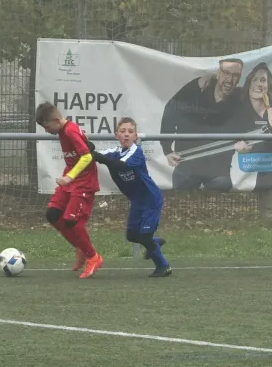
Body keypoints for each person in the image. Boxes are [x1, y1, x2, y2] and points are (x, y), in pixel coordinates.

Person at [88, 117, 172, 277]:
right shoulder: (113, 152)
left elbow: (121, 165)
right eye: (122, 131)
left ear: (135, 136)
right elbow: (96, 155)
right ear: (116, 135)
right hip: (137, 201)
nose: (126, 135)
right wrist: (85, 145)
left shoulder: (137, 152)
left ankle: (164, 266)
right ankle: (155, 243)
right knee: (132, 235)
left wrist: (99, 157)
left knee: (145, 235)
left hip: (151, 199)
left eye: (130, 132)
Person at [35, 102, 103, 279]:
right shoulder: (64, 130)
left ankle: (93, 257)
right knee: (52, 214)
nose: (47, 130)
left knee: (73, 222)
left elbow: (87, 156)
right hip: (72, 180)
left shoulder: (70, 131)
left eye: (47, 127)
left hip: (83, 182)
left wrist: (70, 177)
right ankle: (80, 247)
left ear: (57, 120)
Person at [160, 58, 245, 192]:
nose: (230, 79)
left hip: (218, 173)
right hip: (186, 167)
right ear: (218, 73)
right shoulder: (197, 89)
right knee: (181, 206)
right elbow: (171, 108)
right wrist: (167, 149)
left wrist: (244, 144)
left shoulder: (240, 100)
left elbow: (249, 127)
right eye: (226, 73)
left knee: (220, 200)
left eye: (236, 75)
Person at [231, 62, 272, 191]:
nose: (258, 84)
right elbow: (231, 140)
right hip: (246, 165)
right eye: (254, 80)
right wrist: (238, 147)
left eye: (263, 80)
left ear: (269, 85)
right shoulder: (238, 106)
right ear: (249, 83)